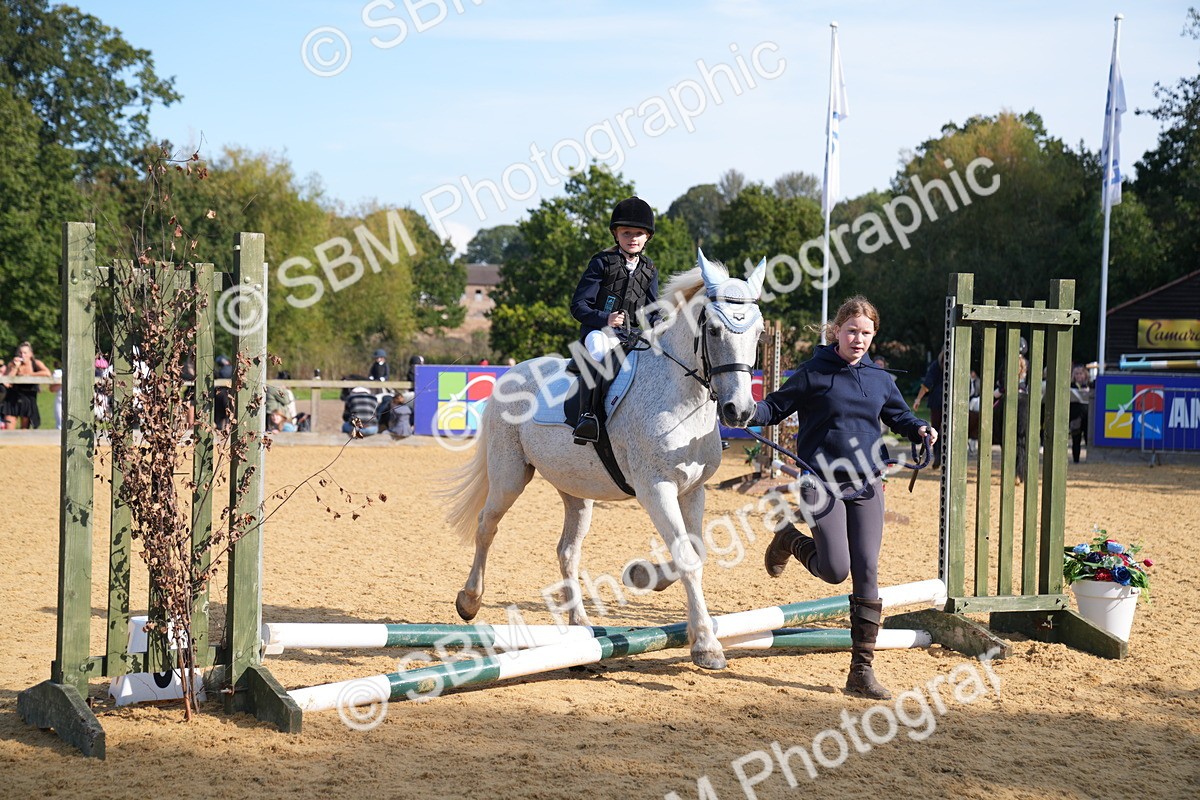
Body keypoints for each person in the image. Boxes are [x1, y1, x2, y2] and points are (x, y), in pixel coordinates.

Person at [752, 296, 937, 700]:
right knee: (835, 570)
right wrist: (747, 411)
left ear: (874, 336)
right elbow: (776, 407)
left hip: (867, 481)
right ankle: (789, 539)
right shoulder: (813, 373)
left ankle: (861, 671)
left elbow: (899, 415)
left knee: (867, 568)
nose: (858, 339)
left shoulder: (880, 379)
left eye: (866, 333)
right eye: (852, 331)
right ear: (837, 330)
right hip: (819, 481)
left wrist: (920, 428)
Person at [568, 196, 659, 444]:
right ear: (616, 234)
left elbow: (651, 310)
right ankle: (588, 416)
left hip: (630, 336)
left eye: (638, 233)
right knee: (599, 350)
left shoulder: (649, 270)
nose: (633, 238)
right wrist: (605, 318)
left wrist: (662, 325)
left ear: (647, 237)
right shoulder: (601, 263)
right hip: (598, 332)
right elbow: (578, 306)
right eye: (626, 232)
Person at [1, 341, 51, 429]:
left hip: (28, 399)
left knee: (24, 431)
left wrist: (30, 374)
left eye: (25, 353)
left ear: (30, 354)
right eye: (20, 352)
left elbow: (47, 373)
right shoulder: (12, 364)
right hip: (12, 399)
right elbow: (7, 382)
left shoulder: (36, 363)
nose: (22, 355)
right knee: (8, 430)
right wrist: (15, 367)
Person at [912, 349, 945, 468]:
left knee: (935, 429)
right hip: (952, 399)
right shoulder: (955, 363)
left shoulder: (936, 365)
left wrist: (918, 399)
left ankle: (937, 455)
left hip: (936, 399)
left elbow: (926, 385)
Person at [1069, 363, 1090, 464]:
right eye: (1076, 374)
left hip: (1087, 415)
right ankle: (1076, 460)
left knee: (1088, 438)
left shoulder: (1090, 385)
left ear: (1085, 375)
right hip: (1075, 415)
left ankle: (1088, 459)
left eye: (1081, 373)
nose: (1079, 376)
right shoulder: (1071, 386)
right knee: (1075, 438)